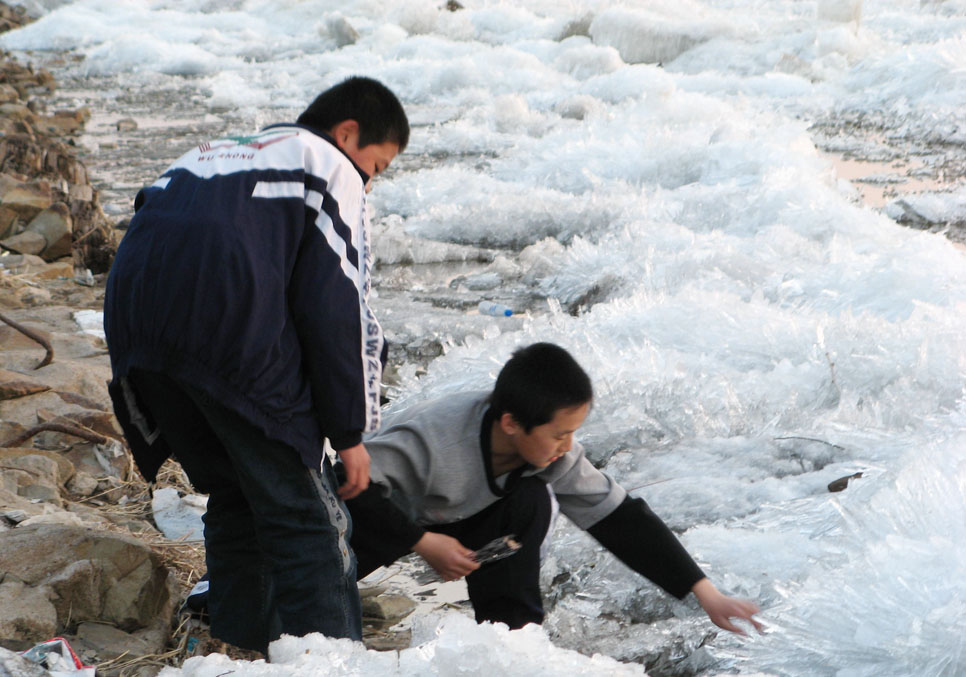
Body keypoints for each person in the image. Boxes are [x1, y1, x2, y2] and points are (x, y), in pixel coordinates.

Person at [103, 76, 409, 654]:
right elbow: (339, 305)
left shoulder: (209, 153)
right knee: (311, 524)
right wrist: (349, 433)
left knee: (239, 493)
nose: (370, 183)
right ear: (349, 133)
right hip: (224, 326)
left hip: (135, 330)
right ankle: (330, 664)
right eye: (378, 166)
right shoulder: (329, 166)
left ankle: (237, 651)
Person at [345, 342, 763, 634]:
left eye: (573, 433)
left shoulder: (553, 455)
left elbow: (619, 517)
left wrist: (705, 593)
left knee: (529, 501)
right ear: (511, 422)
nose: (567, 446)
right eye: (559, 434)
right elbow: (352, 484)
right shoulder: (435, 440)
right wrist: (420, 541)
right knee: (318, 607)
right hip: (370, 516)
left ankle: (511, 642)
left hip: (449, 518)